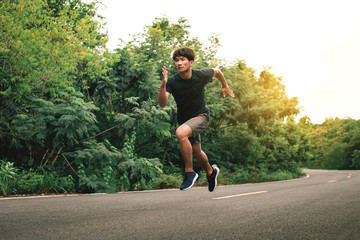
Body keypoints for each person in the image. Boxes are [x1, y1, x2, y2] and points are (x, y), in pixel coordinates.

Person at [158, 47, 234, 192]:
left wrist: (225, 85)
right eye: (176, 60)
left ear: (191, 62)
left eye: (183, 60)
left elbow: (217, 71)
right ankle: (211, 173)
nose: (179, 63)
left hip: (201, 116)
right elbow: (162, 103)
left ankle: (189, 172)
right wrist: (163, 84)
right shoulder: (172, 81)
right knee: (197, 152)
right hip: (186, 121)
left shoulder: (201, 75)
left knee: (181, 133)